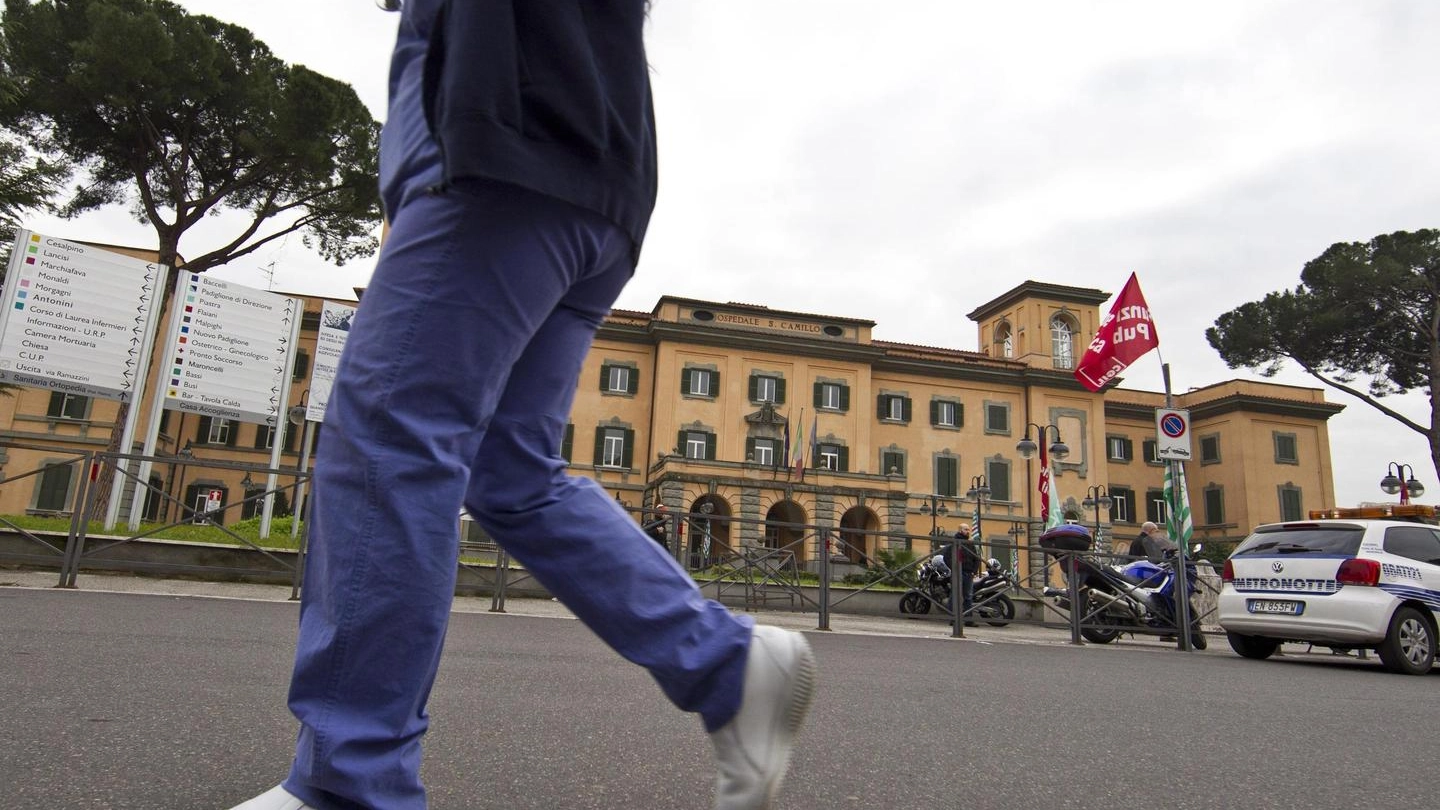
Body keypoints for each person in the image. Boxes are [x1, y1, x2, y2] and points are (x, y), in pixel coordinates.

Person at [230, 3, 816, 809]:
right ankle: (725, 664)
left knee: (390, 443)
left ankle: (349, 784)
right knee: (512, 469)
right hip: (590, 179)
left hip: (499, 149)